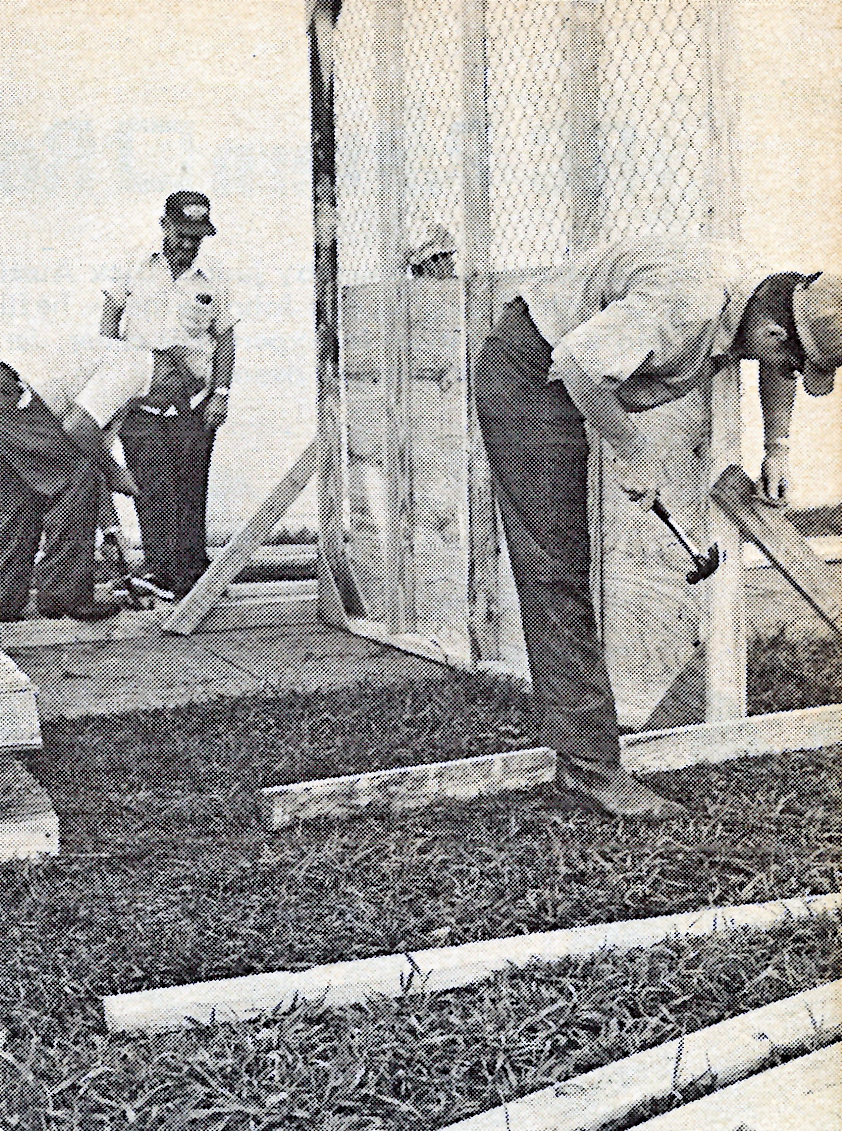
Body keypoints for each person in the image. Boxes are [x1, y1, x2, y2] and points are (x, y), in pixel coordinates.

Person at [474, 239, 842, 819]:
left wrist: (776, 449)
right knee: (556, 566)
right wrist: (631, 456)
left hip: (592, 352)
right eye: (796, 365)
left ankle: (593, 738)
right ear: (773, 334)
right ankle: (590, 772)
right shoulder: (687, 303)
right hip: (531, 359)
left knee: (589, 549)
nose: (790, 377)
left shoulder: (770, 296)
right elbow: (575, 363)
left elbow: (776, 357)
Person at [99, 190, 238, 600]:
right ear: (164, 225)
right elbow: (107, 329)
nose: (188, 244)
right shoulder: (132, 264)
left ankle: (195, 578)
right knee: (151, 484)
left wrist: (222, 394)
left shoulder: (215, 276)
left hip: (193, 403)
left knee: (191, 486)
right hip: (139, 402)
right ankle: (159, 573)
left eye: (197, 237)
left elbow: (226, 340)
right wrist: (108, 389)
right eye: (181, 233)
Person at [0, 339, 184, 621]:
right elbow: (78, 431)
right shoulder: (136, 367)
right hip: (11, 394)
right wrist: (116, 472)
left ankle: (5, 602)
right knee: (75, 473)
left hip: (14, 402)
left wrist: (111, 530)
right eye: (175, 397)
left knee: (24, 494)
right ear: (168, 373)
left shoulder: (115, 390)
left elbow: (90, 461)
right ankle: (65, 596)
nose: (167, 407)